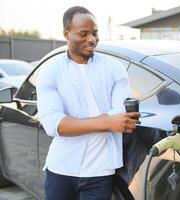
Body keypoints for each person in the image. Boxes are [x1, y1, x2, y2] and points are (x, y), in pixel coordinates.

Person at [36, 6, 140, 200]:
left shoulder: (115, 69)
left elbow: (122, 118)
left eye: (95, 33)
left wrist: (74, 123)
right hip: (61, 169)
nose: (92, 39)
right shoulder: (50, 72)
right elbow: (53, 124)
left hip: (100, 172)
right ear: (67, 33)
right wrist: (107, 122)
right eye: (84, 33)